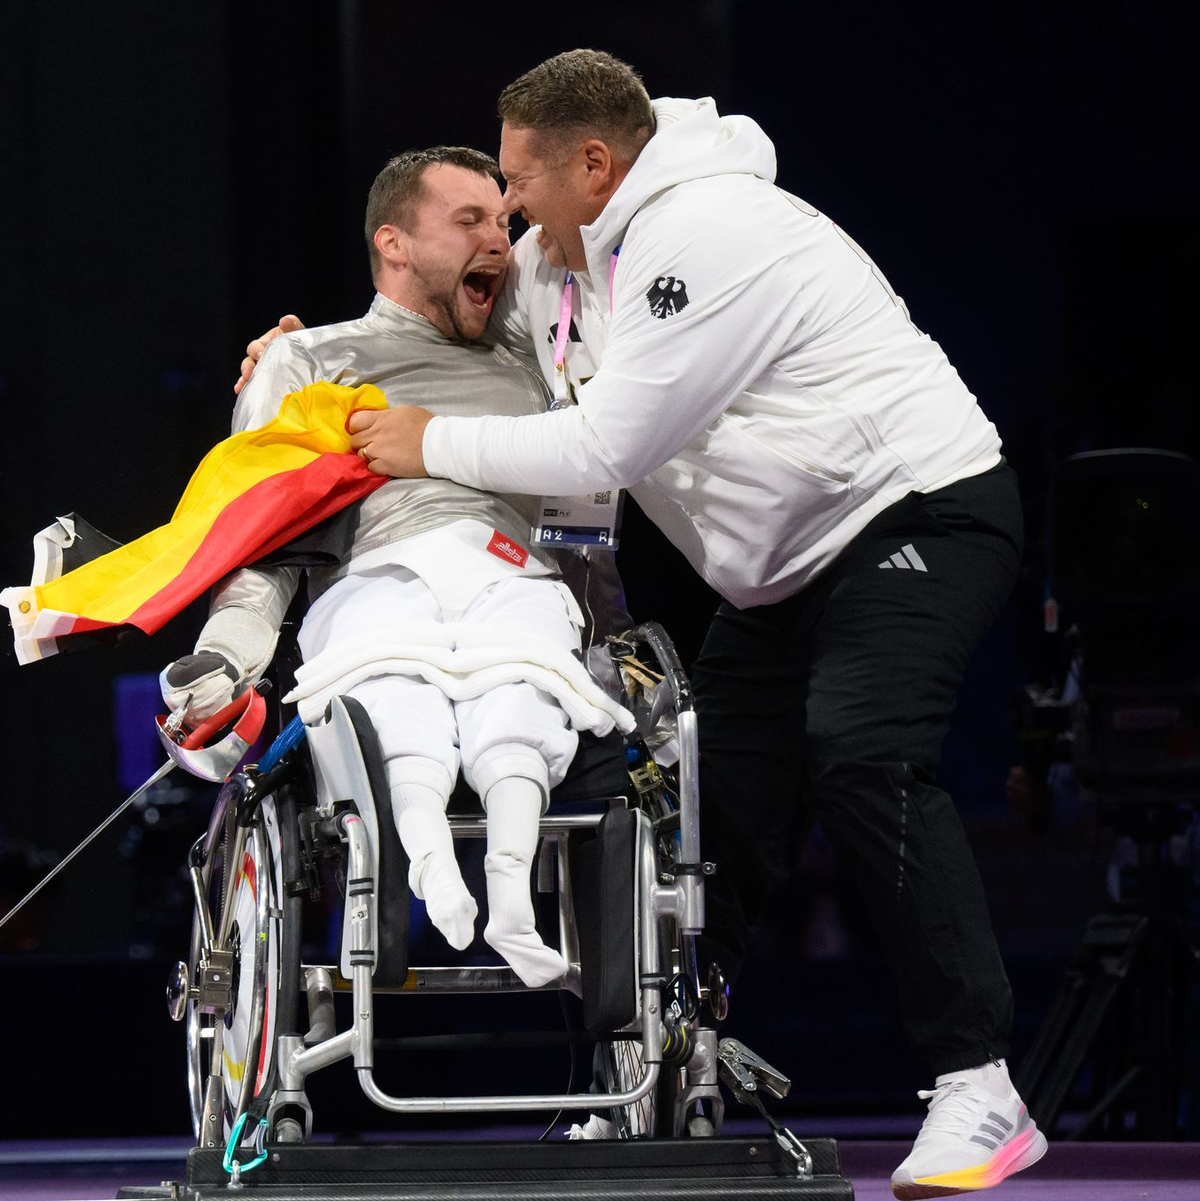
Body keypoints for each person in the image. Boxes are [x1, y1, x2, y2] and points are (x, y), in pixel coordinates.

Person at [310, 51, 1043, 1197]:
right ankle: (651, 1077)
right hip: (777, 574)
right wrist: (309, 359)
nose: (505, 207)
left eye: (515, 179)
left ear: (593, 163)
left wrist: (420, 443)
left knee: (861, 753)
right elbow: (512, 389)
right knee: (705, 812)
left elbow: (605, 449)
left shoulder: (709, 234)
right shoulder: (562, 260)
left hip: (915, 511)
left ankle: (980, 1086)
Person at [168, 146, 632, 989]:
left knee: (541, 703)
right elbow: (261, 531)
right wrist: (229, 656)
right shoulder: (306, 361)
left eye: (503, 219)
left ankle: (524, 913)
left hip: (514, 592)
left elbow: (590, 529)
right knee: (392, 699)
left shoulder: (544, 361)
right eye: (469, 222)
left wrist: (618, 649)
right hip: (375, 593)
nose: (500, 239)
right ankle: (426, 865)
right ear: (394, 244)